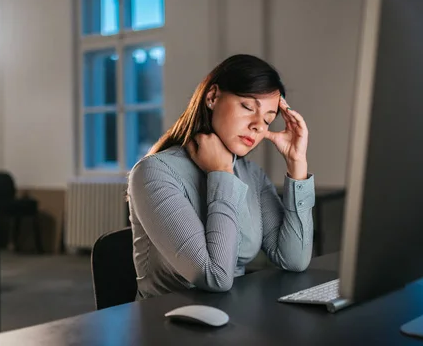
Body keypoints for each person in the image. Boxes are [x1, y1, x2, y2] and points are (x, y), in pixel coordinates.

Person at [128, 54, 315, 298]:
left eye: (268, 119)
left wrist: (296, 162)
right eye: (248, 107)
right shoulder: (154, 172)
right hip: (169, 324)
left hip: (235, 318)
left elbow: (294, 259)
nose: (258, 125)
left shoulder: (251, 174)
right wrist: (221, 173)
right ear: (213, 97)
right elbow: (215, 276)